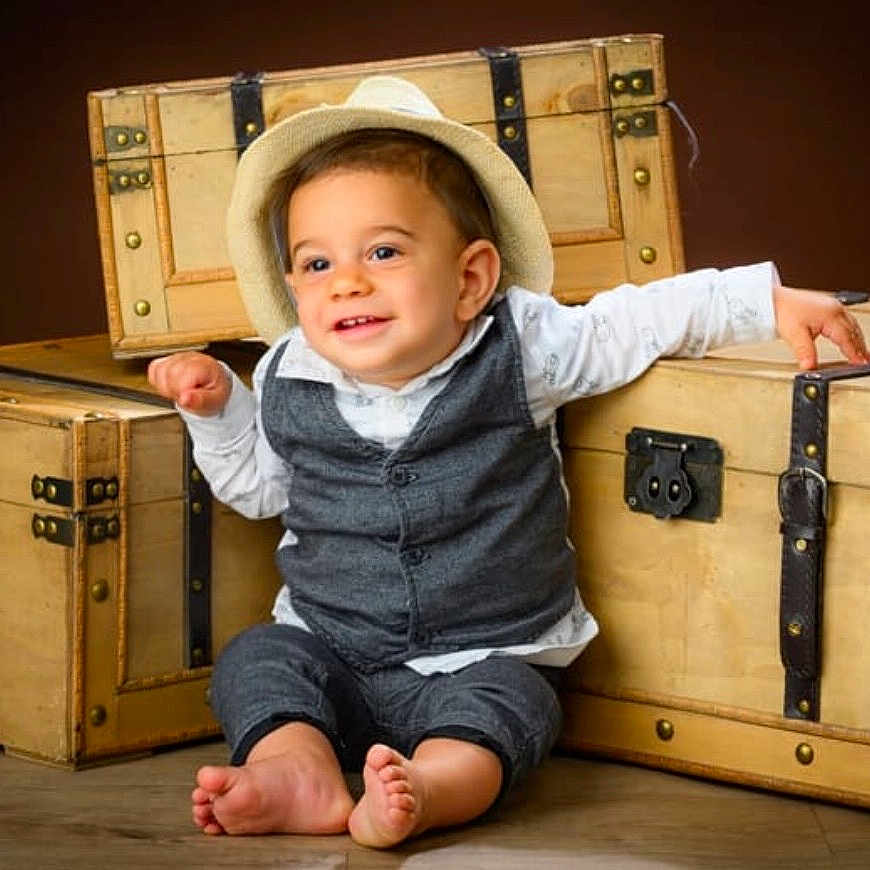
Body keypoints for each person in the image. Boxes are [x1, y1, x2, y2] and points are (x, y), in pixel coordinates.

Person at [147, 76, 869, 848]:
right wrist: (221, 410)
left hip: (485, 651)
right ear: (293, 288)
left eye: (384, 251)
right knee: (257, 660)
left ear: (471, 279)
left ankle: (433, 785)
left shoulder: (522, 346)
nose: (347, 281)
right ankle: (299, 768)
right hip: (331, 644)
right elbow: (258, 490)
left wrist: (766, 300)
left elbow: (634, 320)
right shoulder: (290, 370)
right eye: (316, 265)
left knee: (518, 708)